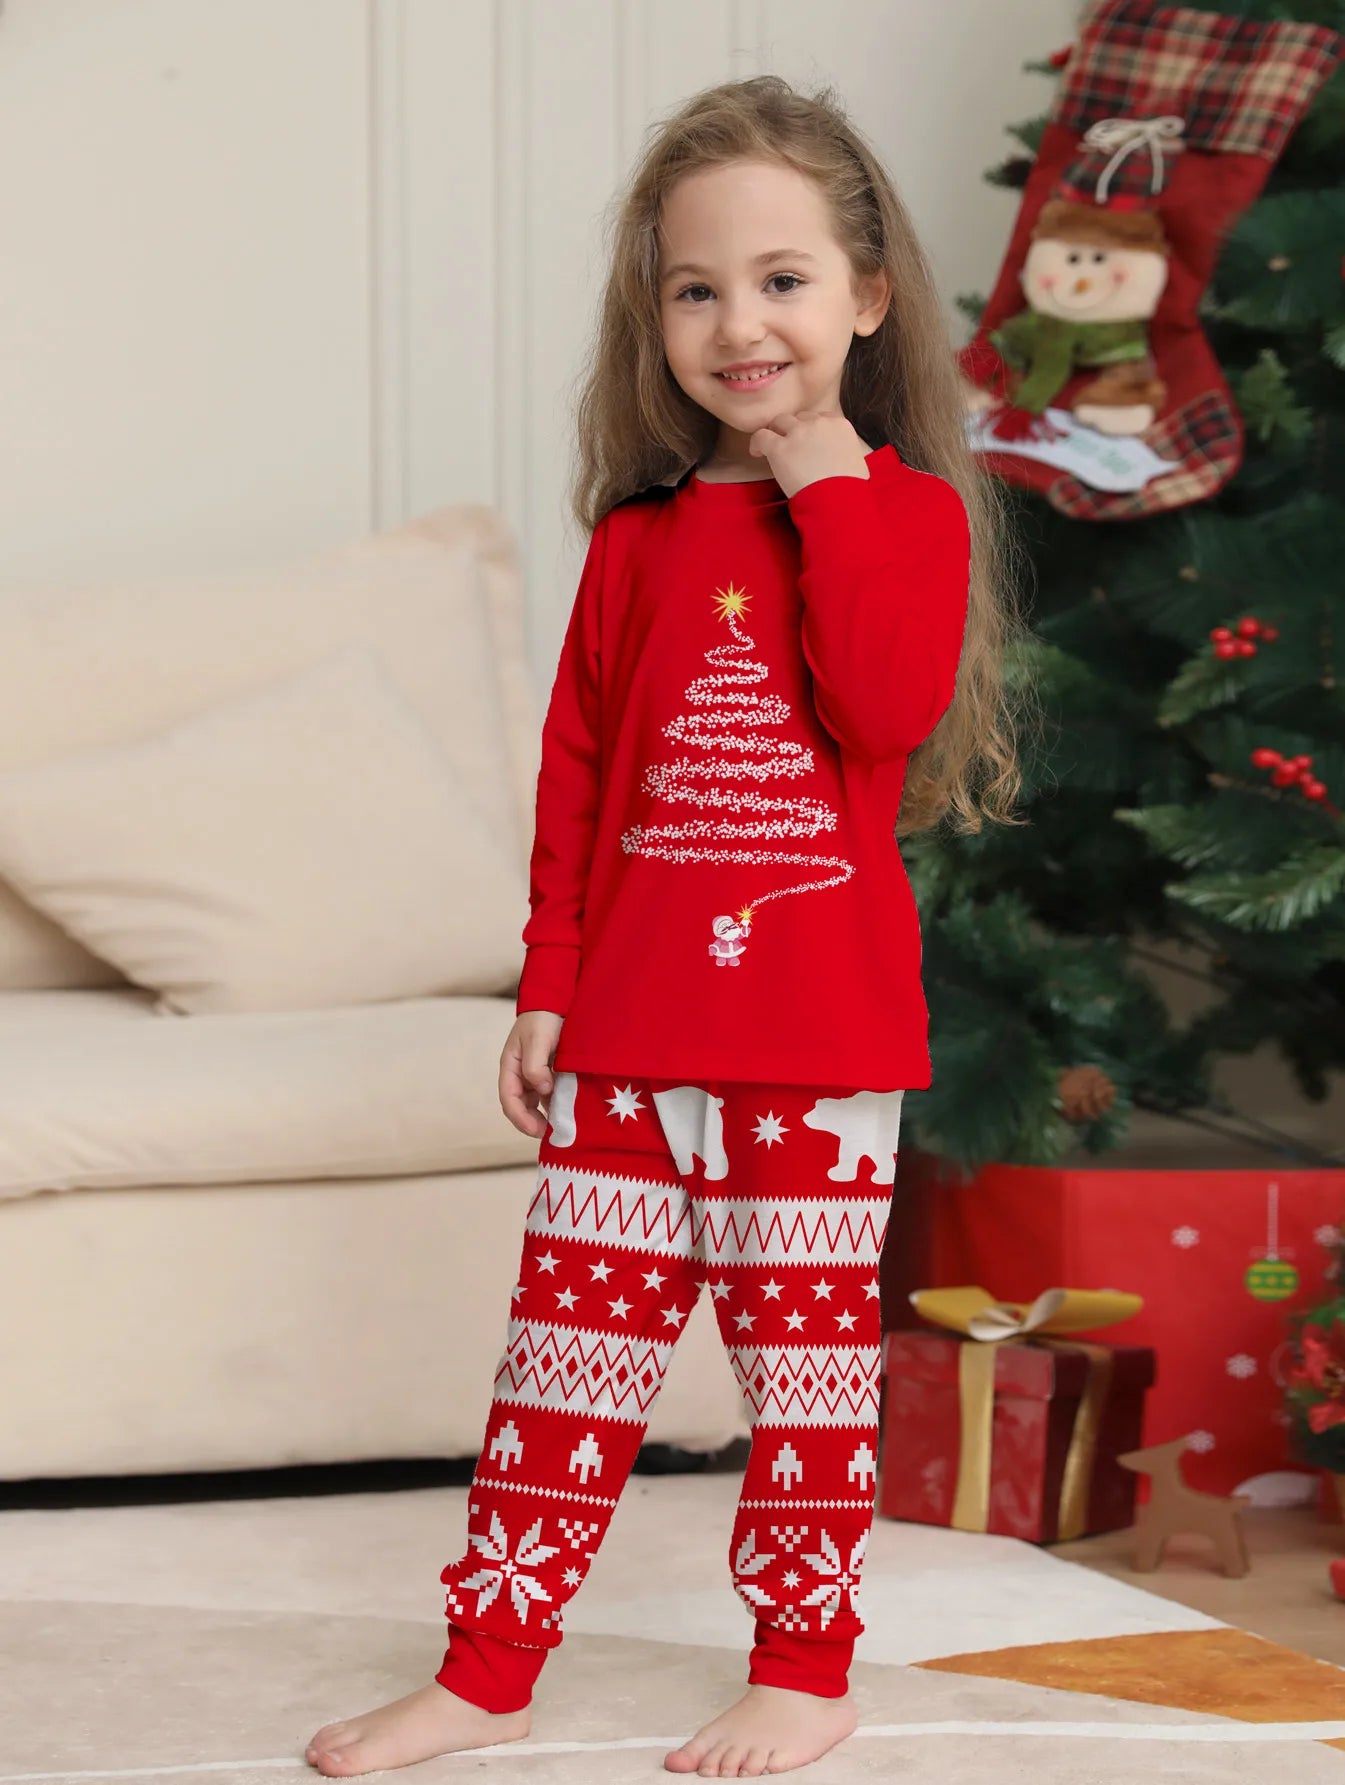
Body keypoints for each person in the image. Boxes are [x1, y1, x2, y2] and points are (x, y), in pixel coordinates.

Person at [306, 71, 1027, 1781]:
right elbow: (575, 780)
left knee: (800, 1389)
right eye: (694, 288)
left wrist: (827, 478)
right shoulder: (635, 541)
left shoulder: (901, 516)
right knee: (561, 1369)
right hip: (628, 1031)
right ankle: (485, 1672)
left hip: (815, 1047)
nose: (737, 322)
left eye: (781, 280)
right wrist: (547, 985)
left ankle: (804, 1664)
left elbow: (877, 701)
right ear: (658, 316)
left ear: (865, 297)